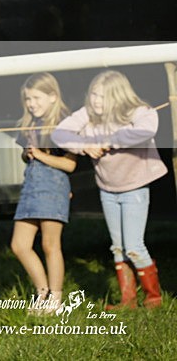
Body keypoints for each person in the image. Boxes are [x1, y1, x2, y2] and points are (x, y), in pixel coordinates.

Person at [52, 70, 166, 309]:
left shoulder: (137, 112)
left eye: (103, 97)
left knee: (134, 245)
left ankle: (153, 297)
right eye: (93, 94)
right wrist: (85, 145)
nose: (96, 101)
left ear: (118, 97)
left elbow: (146, 129)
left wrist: (110, 141)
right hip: (108, 189)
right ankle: (128, 300)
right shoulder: (89, 116)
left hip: (134, 188)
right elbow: (59, 133)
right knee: (117, 247)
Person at [8, 73, 76, 314]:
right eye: (27, 99)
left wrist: (39, 154)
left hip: (53, 189)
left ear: (53, 97)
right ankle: (42, 292)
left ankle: (55, 300)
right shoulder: (30, 124)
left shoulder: (65, 124)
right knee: (19, 245)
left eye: (36, 98)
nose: (31, 104)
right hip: (31, 188)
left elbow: (70, 165)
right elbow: (27, 154)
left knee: (50, 245)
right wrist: (27, 154)